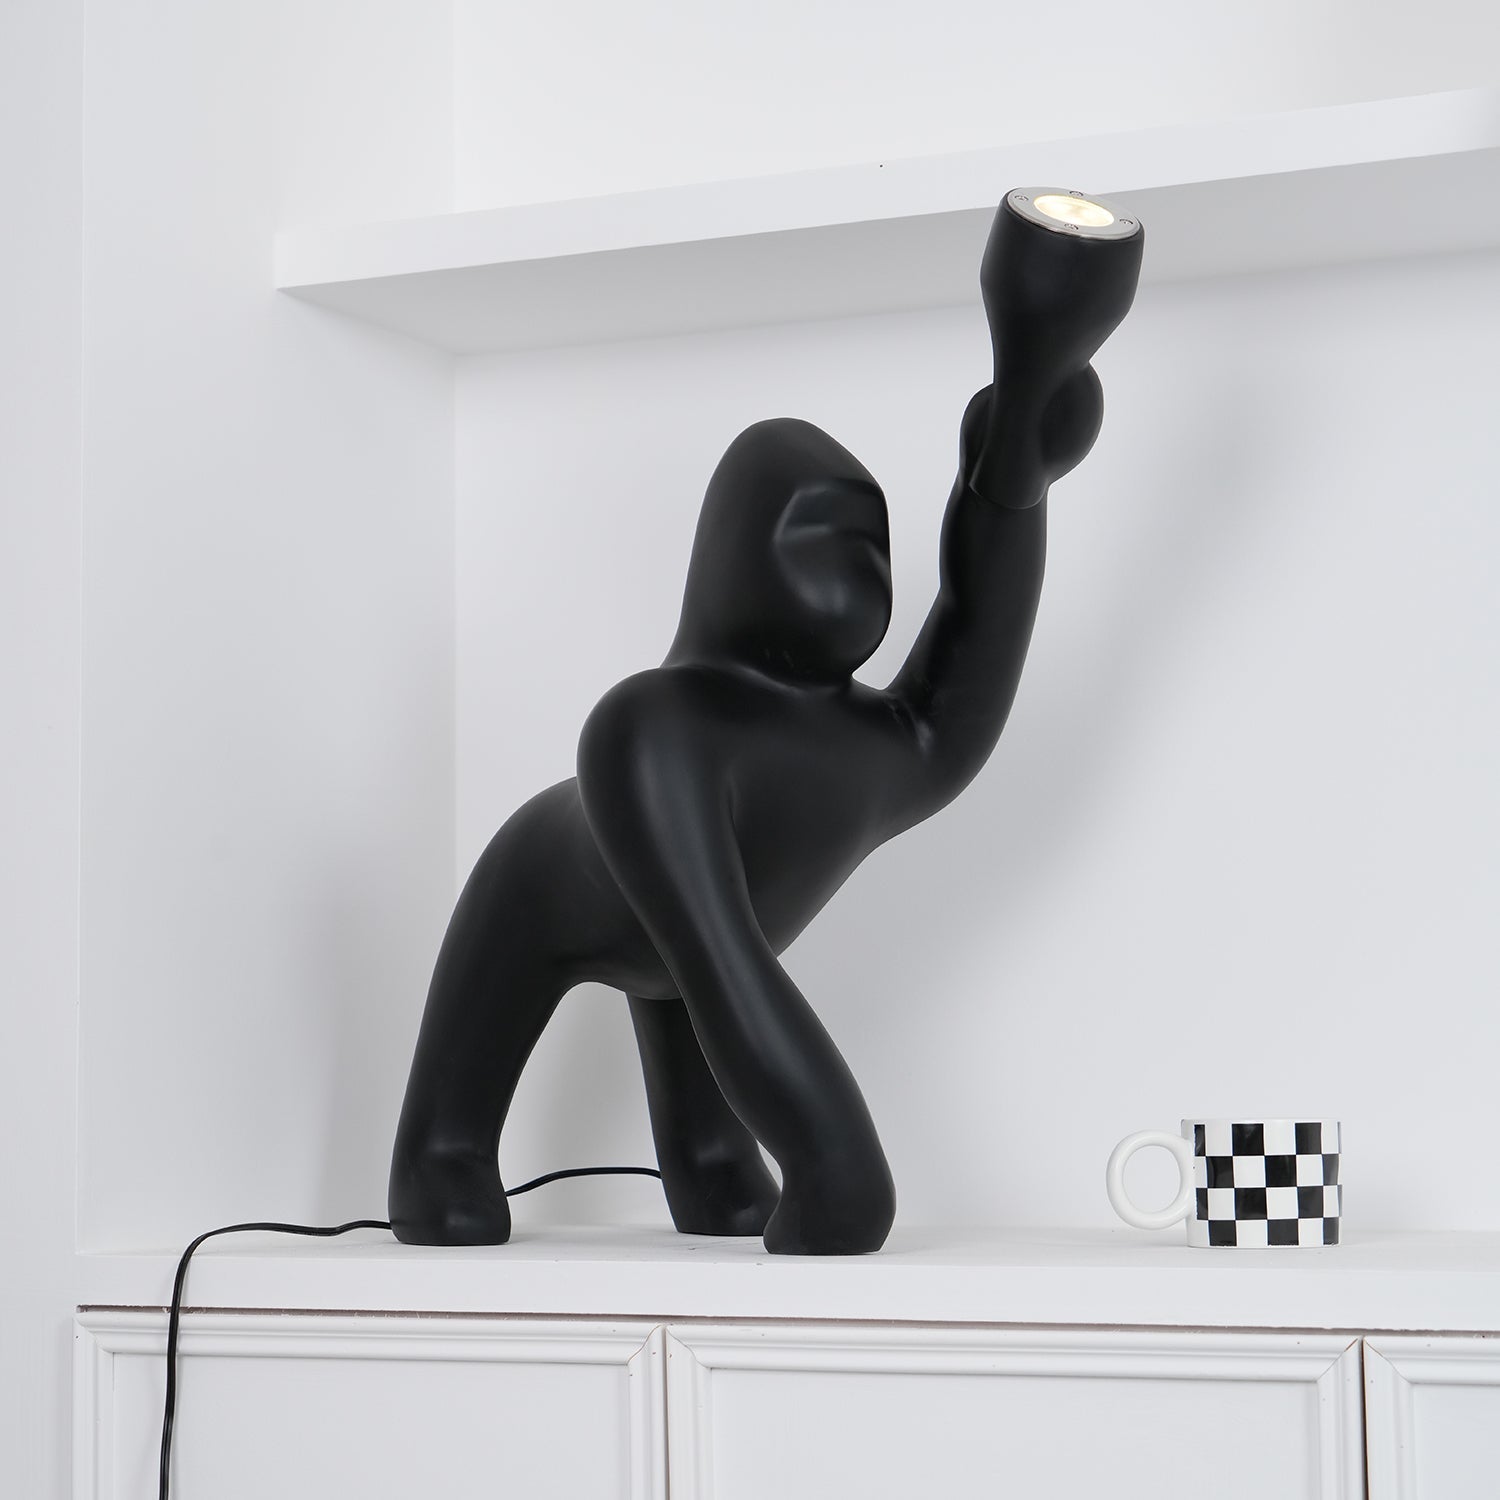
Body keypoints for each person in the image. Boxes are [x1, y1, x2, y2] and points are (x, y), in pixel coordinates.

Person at [389, 191, 1144, 1254]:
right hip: (546, 887)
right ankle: (444, 1151)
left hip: (699, 929)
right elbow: (724, 962)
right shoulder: (654, 731)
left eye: (872, 545)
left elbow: (965, 667)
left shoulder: (869, 745)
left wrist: (1010, 481)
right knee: (460, 1152)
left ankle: (706, 1159)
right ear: (733, 560)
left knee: (717, 1165)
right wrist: (836, 1167)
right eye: (818, 534)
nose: (859, 566)